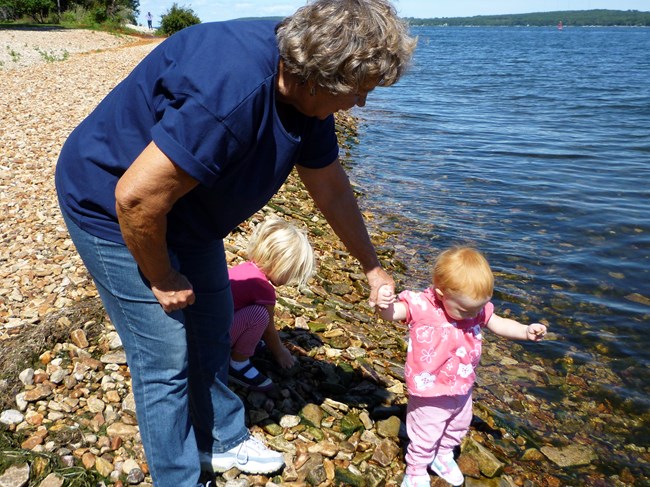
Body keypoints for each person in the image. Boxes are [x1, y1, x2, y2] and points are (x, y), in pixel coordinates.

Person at [54, 0, 416, 485]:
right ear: (319, 79)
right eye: (361, 91)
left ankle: (220, 439)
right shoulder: (232, 94)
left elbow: (328, 183)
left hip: (188, 213)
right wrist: (161, 277)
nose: (363, 104)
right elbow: (136, 200)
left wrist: (372, 266)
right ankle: (180, 476)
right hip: (110, 206)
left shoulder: (309, 80)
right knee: (164, 356)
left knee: (212, 321)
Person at [376, 247, 547, 487]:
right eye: (466, 310)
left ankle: (443, 455)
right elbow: (391, 314)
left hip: (461, 385)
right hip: (430, 388)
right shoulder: (422, 306)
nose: (474, 315)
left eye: (479, 308)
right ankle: (415, 471)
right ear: (441, 293)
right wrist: (383, 303)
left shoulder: (475, 309)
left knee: (459, 423)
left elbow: (499, 324)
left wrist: (525, 331)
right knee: (426, 431)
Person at [228, 218, 314, 391]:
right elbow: (268, 329)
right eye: (292, 274)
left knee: (253, 313)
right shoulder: (263, 288)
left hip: (201, 328)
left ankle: (243, 342)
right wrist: (280, 352)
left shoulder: (245, 269)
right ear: (281, 265)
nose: (291, 280)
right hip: (212, 338)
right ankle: (238, 364)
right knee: (259, 316)